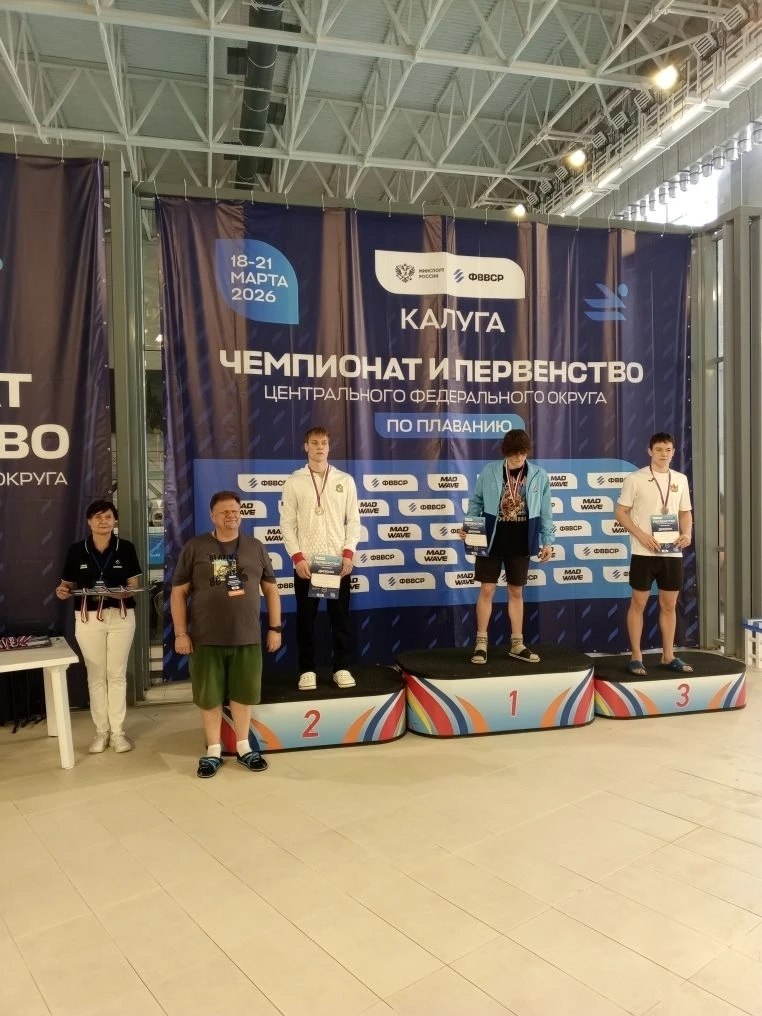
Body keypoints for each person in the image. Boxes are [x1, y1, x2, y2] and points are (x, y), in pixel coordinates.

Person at [170, 490, 282, 778]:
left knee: (243, 694)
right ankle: (213, 751)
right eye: (224, 512)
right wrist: (181, 633)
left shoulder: (255, 547)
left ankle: (244, 747)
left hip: (247, 636)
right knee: (209, 697)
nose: (231, 515)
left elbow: (271, 589)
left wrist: (275, 628)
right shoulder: (195, 547)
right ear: (213, 516)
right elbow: (178, 593)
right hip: (205, 638)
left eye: (235, 511)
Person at [56, 499, 142, 754]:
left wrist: (123, 593)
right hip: (88, 617)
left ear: (115, 520)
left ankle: (118, 733)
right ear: (89, 521)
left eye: (107, 517)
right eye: (97, 517)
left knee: (116, 674)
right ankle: (100, 732)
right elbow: (66, 585)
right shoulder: (76, 550)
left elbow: (134, 585)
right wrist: (62, 591)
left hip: (121, 616)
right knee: (95, 675)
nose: (103, 521)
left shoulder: (126, 548)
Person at [280, 426, 361, 691]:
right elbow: (287, 524)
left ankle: (341, 667)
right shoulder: (294, 482)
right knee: (306, 621)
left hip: (338, 563)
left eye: (324, 442)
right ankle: (307, 670)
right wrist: (297, 558)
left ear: (329, 446)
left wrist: (348, 554)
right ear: (306, 447)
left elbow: (354, 521)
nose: (319, 447)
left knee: (341, 620)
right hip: (307, 564)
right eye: (314, 443)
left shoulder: (345, 480)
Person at [463, 429, 554, 665]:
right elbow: (477, 501)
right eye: (514, 454)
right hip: (491, 537)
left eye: (523, 453)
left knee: (516, 591)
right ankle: (481, 643)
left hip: (522, 538)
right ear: (506, 452)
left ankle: (517, 643)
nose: (519, 458)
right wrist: (469, 527)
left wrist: (548, 541)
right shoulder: (490, 470)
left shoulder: (539, 475)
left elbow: (546, 511)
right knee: (487, 589)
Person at [614, 431, 693, 675]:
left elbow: (685, 512)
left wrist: (687, 533)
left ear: (674, 452)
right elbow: (620, 512)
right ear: (650, 451)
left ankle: (668, 656)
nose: (664, 454)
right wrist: (641, 535)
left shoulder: (680, 479)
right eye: (659, 449)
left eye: (668, 450)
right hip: (644, 553)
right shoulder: (635, 479)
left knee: (669, 605)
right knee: (638, 604)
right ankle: (636, 656)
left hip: (672, 553)